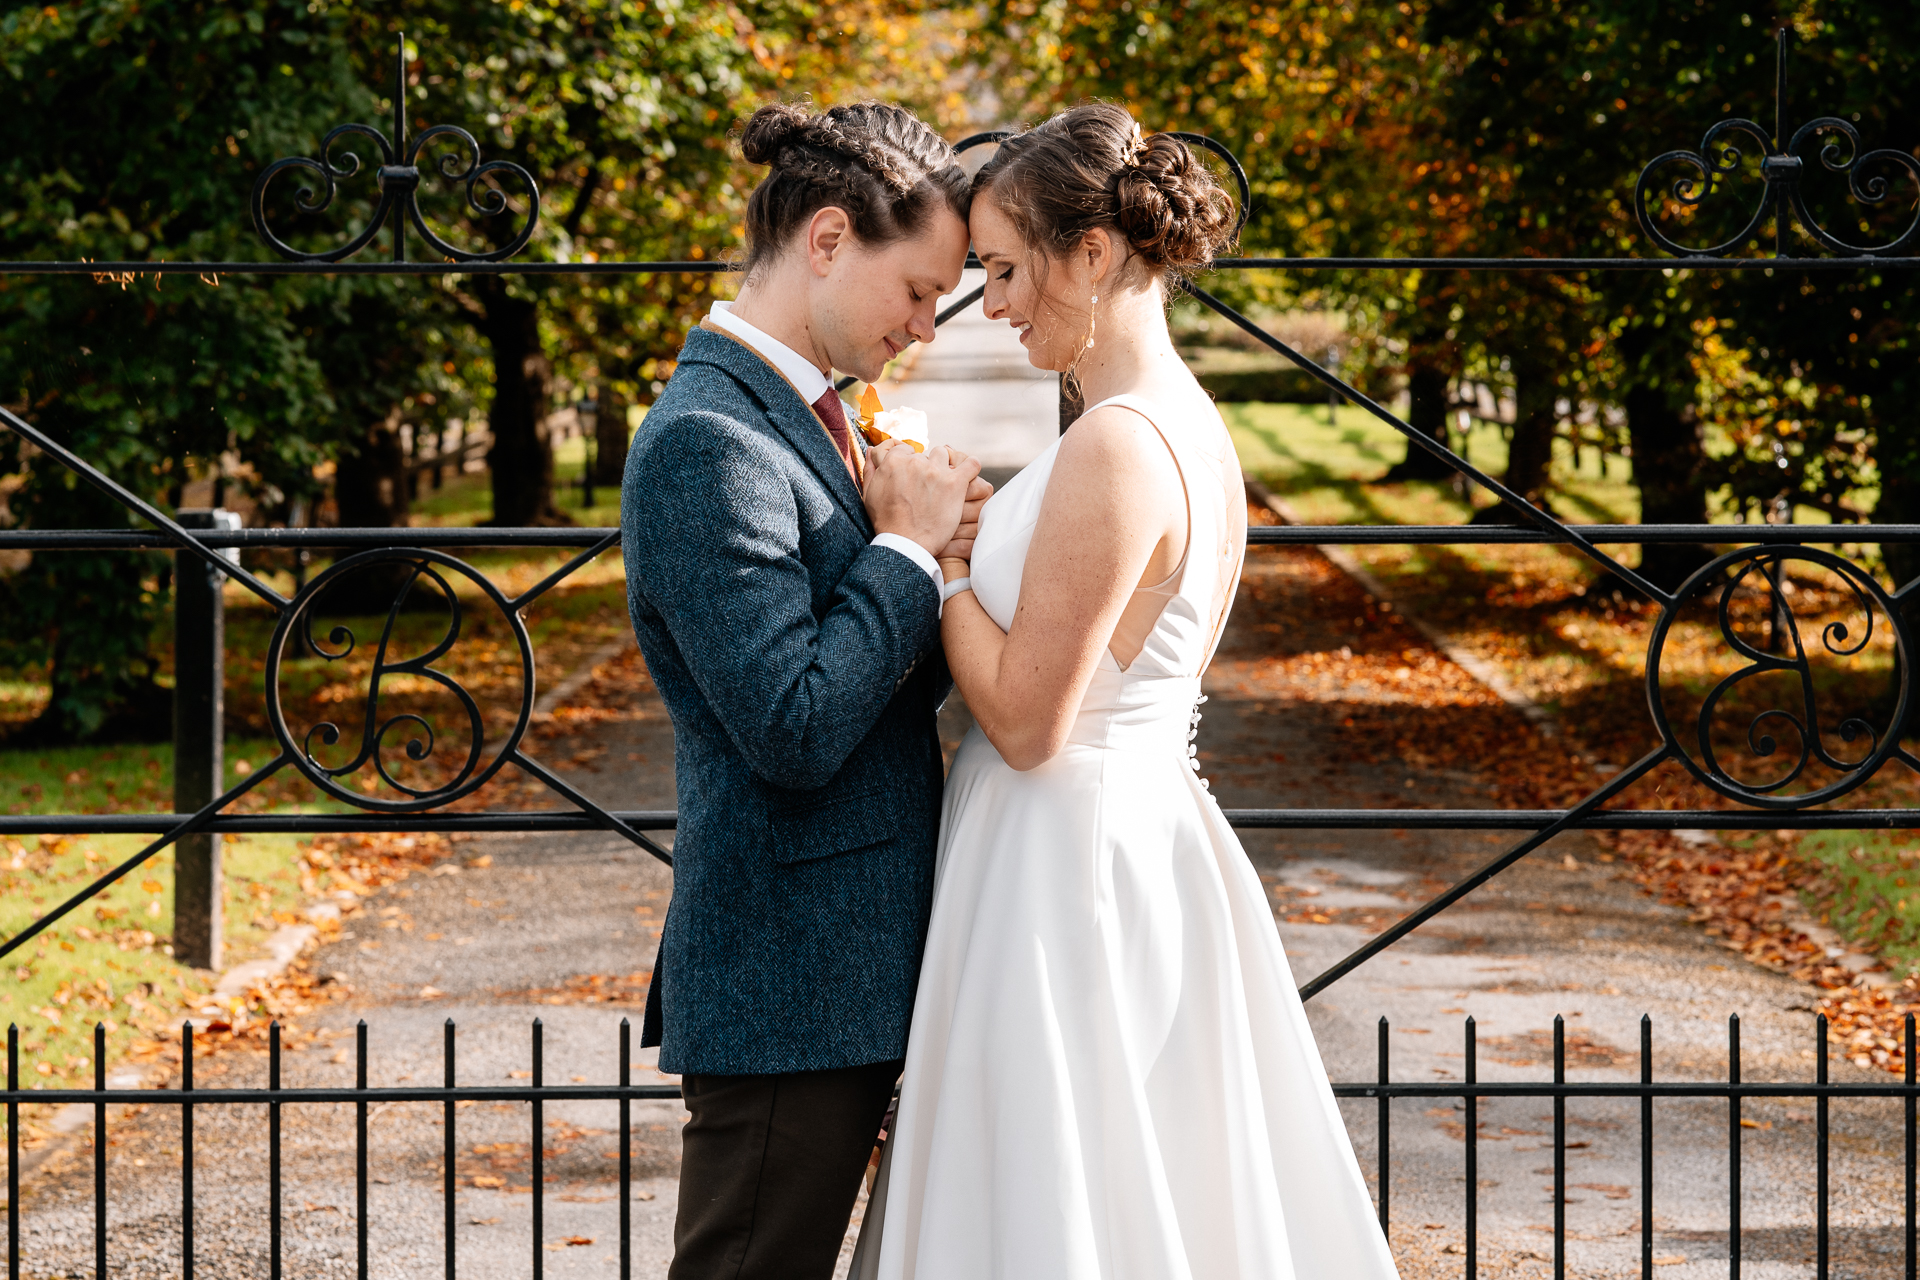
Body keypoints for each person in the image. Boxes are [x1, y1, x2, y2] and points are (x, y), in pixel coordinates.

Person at [853, 103, 1402, 1279]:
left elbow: (1027, 719)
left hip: (1061, 866)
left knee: (1061, 1192)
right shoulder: (1181, 426)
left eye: (1004, 268)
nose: (989, 302)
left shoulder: (1115, 443)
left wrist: (939, 555)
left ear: (1092, 253)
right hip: (1124, 834)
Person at [620, 100, 992, 1279]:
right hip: (792, 981)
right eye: (920, 290)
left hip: (859, 964)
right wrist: (900, 553)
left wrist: (943, 559)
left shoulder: (814, 418)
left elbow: (872, 681)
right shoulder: (706, 443)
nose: (926, 326)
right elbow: (792, 723)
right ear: (827, 240)